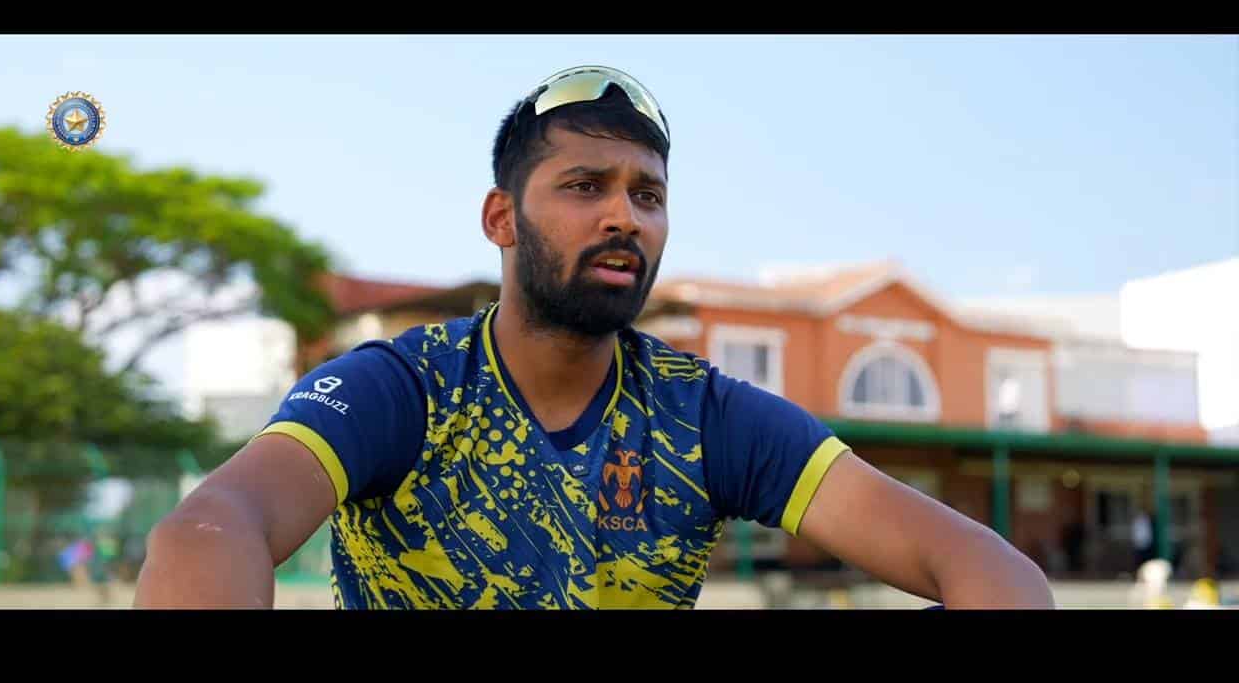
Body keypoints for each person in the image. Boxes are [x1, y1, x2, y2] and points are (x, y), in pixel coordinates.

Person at [134, 65, 1055, 610]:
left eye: (647, 194)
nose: (625, 216)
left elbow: (990, 570)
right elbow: (210, 529)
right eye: (585, 186)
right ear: (501, 218)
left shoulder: (706, 418)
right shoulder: (403, 387)